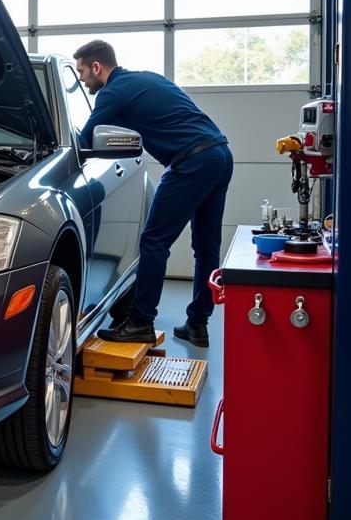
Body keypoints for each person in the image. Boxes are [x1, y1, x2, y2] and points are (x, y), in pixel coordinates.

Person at [73, 40, 232, 348]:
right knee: (206, 247)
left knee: (154, 241)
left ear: (97, 67)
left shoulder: (112, 92)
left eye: (82, 71)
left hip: (191, 162)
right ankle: (198, 324)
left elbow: (87, 137)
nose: (81, 79)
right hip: (220, 155)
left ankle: (140, 322)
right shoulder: (144, 78)